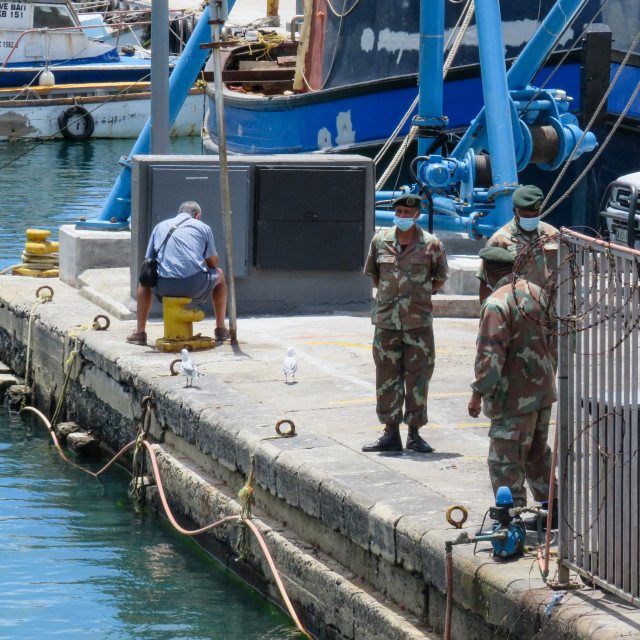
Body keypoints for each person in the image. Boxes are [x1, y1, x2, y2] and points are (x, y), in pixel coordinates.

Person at [468, 247, 557, 523]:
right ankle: (551, 509)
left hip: (512, 399)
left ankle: (512, 518)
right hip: (541, 393)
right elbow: (552, 340)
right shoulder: (535, 291)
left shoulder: (496, 304)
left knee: (505, 460)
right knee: (537, 454)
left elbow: (490, 356)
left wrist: (477, 393)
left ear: (486, 272)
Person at [362, 193, 449, 454]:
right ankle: (390, 432)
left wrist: (417, 296)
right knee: (386, 377)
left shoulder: (432, 245)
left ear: (417, 215)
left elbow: (440, 278)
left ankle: (414, 433)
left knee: (418, 378)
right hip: (387, 323)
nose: (401, 217)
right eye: (398, 212)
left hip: (418, 324)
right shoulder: (380, 241)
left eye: (407, 213)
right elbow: (375, 276)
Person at [126, 201, 229, 346]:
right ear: (197, 216)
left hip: (164, 286)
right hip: (193, 285)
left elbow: (150, 260)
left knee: (145, 282)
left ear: (179, 213)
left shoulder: (160, 227)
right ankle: (220, 329)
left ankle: (139, 332)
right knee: (220, 274)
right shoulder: (204, 228)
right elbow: (213, 263)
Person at [477, 185, 559, 303]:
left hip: (550, 307)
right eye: (526, 216)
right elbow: (486, 282)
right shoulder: (499, 240)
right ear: (515, 211)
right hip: (517, 309)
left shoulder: (552, 234)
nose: (531, 219)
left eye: (535, 215)